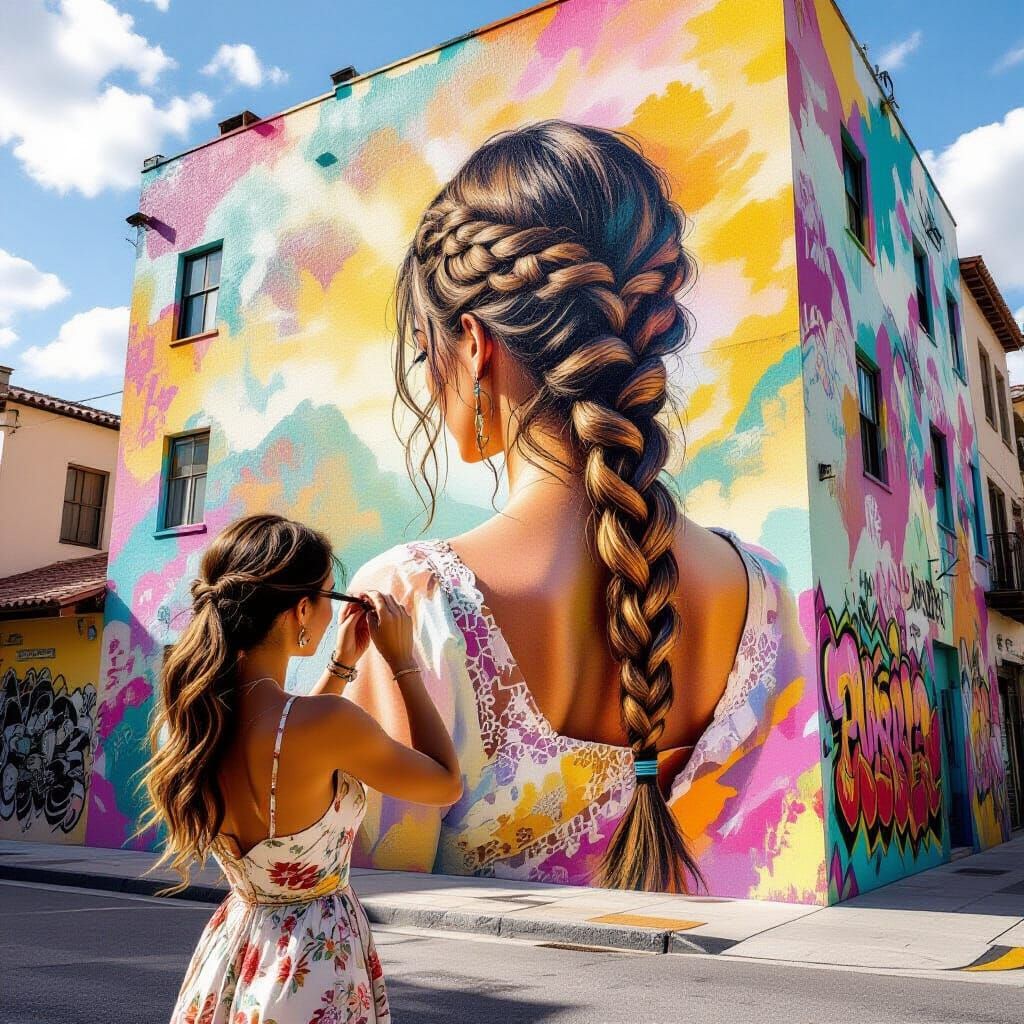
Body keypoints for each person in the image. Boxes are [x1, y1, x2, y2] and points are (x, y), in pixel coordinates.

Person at [346, 120, 783, 894]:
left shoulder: (414, 601)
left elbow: (367, 910)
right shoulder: (765, 589)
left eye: (426, 350)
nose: (428, 375)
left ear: (474, 344)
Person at [141, 513, 461, 1024]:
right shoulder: (326, 724)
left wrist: (339, 667)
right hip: (313, 963)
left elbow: (287, 748)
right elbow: (445, 782)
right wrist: (402, 661)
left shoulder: (199, 722)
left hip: (235, 952)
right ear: (303, 608)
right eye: (332, 598)